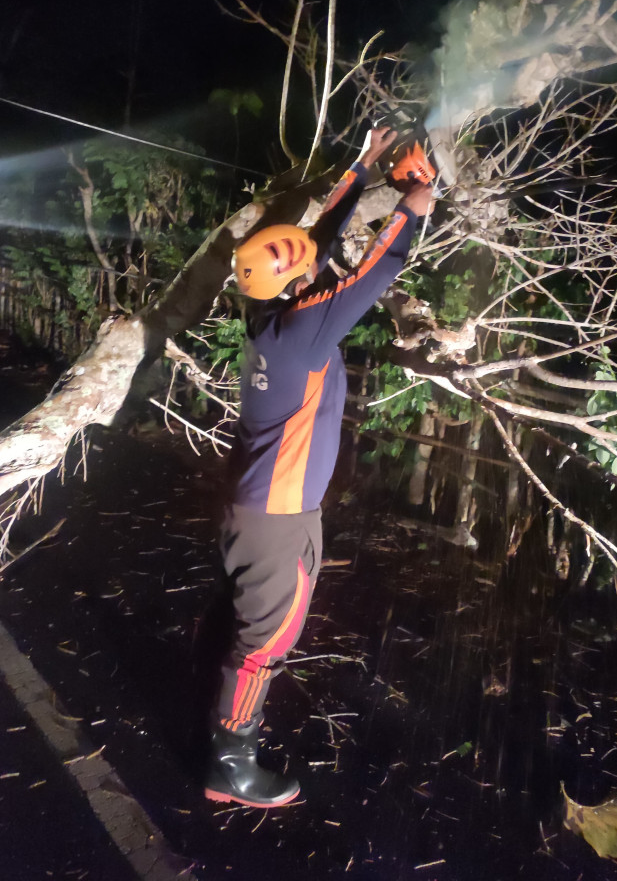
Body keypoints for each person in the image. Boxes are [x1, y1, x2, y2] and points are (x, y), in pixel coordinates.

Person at [203, 125, 436, 808]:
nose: (316, 260)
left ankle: (228, 736)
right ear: (298, 280)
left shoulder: (270, 313)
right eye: (308, 262)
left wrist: (365, 168)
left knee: (255, 626)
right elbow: (378, 268)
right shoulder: (307, 325)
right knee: (264, 642)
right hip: (275, 518)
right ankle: (230, 765)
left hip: (263, 507)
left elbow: (322, 242)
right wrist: (415, 205)